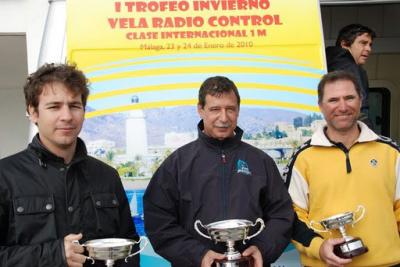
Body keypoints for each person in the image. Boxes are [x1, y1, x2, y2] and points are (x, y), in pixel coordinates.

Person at [143, 76, 294, 267]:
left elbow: (282, 215)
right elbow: (159, 222)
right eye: (215, 109)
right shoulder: (176, 164)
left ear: (238, 110)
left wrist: (262, 249)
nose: (223, 118)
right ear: (200, 110)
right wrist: (198, 255)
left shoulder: (260, 161)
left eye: (230, 109)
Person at [0, 63, 140, 267]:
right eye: (54, 106)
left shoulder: (107, 176)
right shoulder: (5, 176)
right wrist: (53, 255)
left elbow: (129, 246)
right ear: (33, 112)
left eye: (74, 106)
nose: (66, 116)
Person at [284, 71, 400, 266]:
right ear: (320, 106)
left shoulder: (391, 153)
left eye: (349, 98)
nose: (343, 106)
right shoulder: (303, 158)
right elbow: (292, 216)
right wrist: (318, 248)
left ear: (361, 100)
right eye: (333, 100)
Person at [325, 24, 376, 127]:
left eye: (370, 45)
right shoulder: (345, 64)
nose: (369, 49)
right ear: (344, 44)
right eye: (363, 43)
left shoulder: (334, 61)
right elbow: (356, 109)